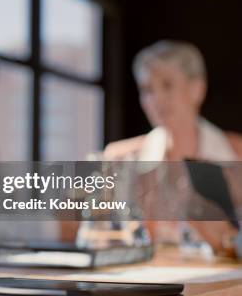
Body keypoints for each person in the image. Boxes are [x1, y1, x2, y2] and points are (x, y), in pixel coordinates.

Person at [104, 40, 242, 257]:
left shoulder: (236, 153)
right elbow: (91, 237)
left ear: (197, 89)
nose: (155, 99)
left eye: (167, 85)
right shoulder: (119, 157)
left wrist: (228, 240)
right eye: (147, 89)